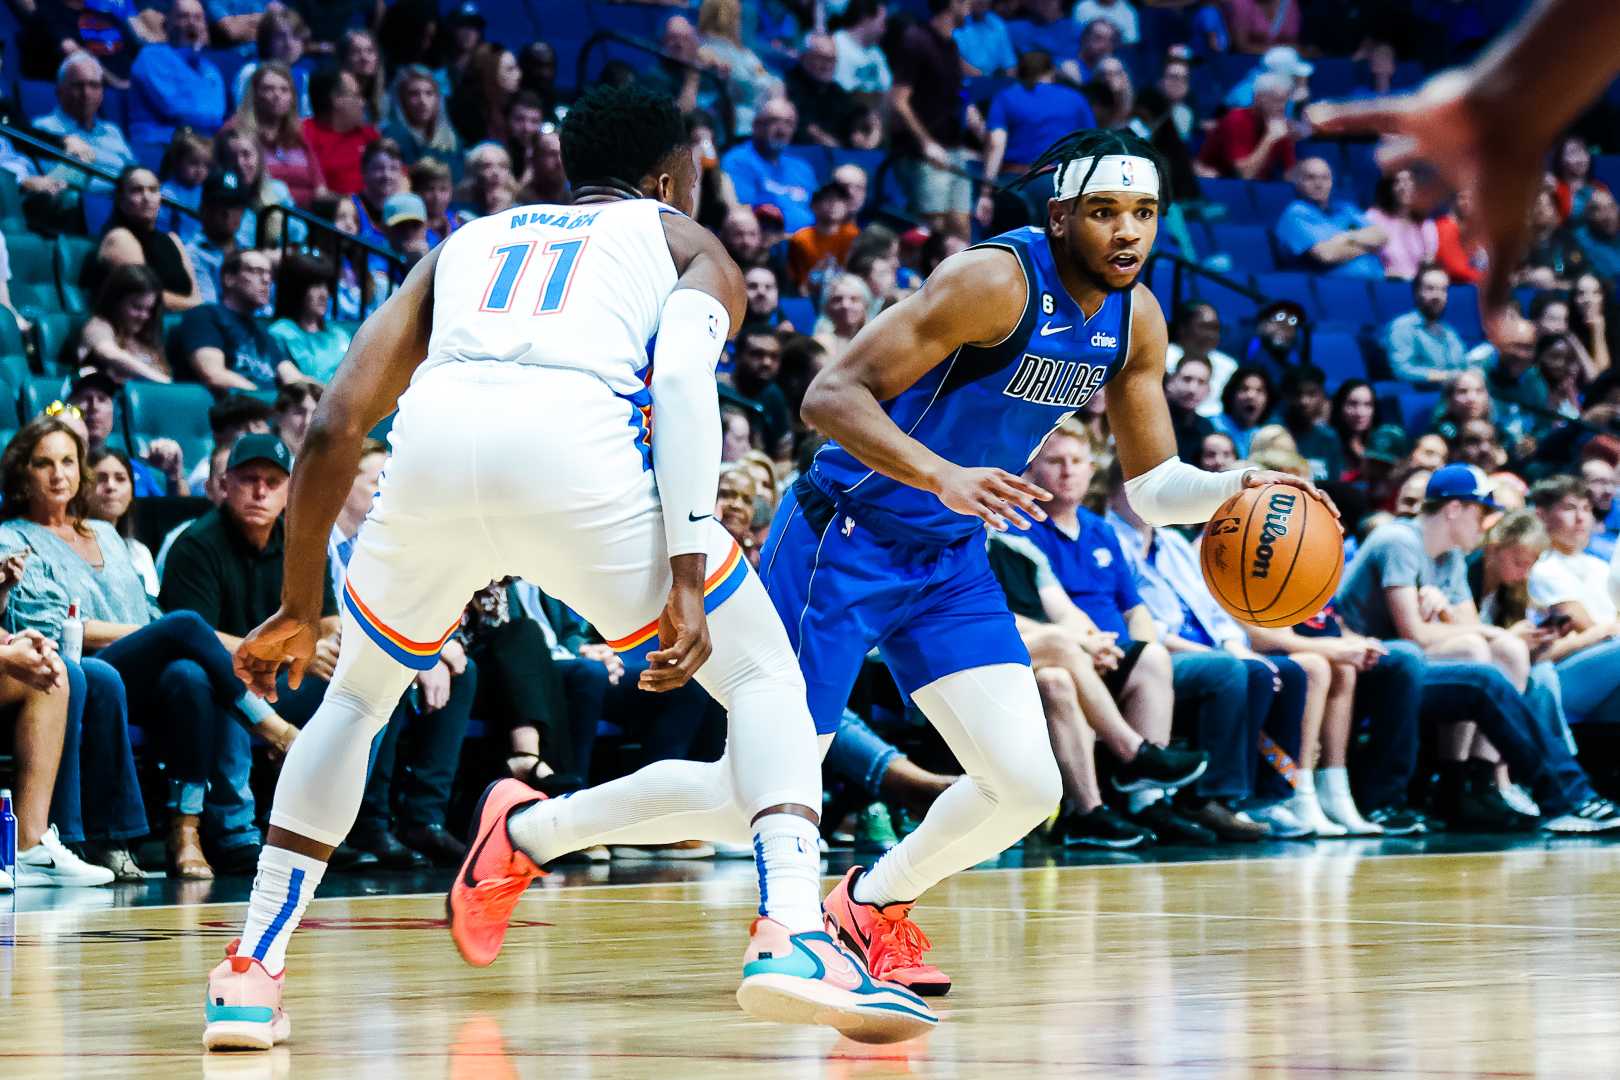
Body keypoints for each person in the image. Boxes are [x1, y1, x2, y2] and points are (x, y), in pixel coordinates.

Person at [205, 83, 937, 1053]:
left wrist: (303, 605)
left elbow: (338, 423)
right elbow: (678, 383)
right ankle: (793, 931)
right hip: (574, 462)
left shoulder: (463, 244)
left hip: (432, 459)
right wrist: (686, 563)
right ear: (673, 176)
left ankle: (251, 976)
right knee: (763, 676)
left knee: (353, 704)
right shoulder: (685, 242)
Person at [759, 128, 1327, 992]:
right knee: (766, 775)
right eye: (1105, 213)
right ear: (1060, 217)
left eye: (1145, 214)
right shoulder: (993, 281)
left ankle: (868, 904)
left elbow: (1154, 488)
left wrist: (1244, 484)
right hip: (845, 532)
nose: (1129, 233)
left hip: (948, 556)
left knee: (1026, 788)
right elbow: (827, 396)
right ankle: (766, 929)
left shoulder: (1136, 316)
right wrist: (943, 476)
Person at [0, 416, 295, 880]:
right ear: (23, 473)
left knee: (190, 676)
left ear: (81, 472)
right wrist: (148, 634)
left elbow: (150, 617)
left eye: (67, 462)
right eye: (43, 464)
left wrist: (154, 634)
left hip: (137, 666)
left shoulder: (108, 535)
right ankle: (275, 728)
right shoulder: (13, 537)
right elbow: (52, 625)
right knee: (181, 627)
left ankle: (186, 828)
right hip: (76, 665)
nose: (58, 474)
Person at [1335, 464, 1620, 833]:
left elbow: (1470, 629)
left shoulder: (1449, 554)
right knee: (1480, 666)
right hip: (1368, 664)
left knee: (1505, 652)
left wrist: (1493, 634)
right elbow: (1415, 636)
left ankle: (1480, 782)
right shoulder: (1398, 541)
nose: (1486, 525)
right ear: (1454, 509)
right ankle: (1566, 796)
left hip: (1409, 665)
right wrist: (1469, 629)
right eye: (1481, 513)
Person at [1526, 476, 1620, 724]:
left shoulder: (1600, 566)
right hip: (1561, 670)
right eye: (1569, 508)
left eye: (1587, 509)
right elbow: (1585, 625)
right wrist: (1609, 628)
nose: (1581, 518)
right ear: (1541, 515)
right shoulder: (1542, 567)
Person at [976, 50, 1097, 228]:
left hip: (1015, 186)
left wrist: (985, 193)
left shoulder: (1006, 97)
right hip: (1060, 186)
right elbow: (1092, 146)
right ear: (1052, 70)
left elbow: (996, 143)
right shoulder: (1075, 99)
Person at [890, 0, 973, 241]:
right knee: (932, 230)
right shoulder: (915, 39)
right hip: (925, 154)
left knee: (961, 229)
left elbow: (956, 95)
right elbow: (898, 100)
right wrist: (926, 143)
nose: (971, 6)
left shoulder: (952, 45)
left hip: (955, 149)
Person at [169, 249, 304, 392]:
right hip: (233, 409)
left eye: (269, 274)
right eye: (256, 271)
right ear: (229, 279)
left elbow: (293, 378)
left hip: (266, 408)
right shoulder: (204, 316)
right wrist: (266, 400)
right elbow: (214, 374)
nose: (266, 280)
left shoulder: (262, 333)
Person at [84, 166, 201, 313]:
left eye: (153, 190)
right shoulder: (119, 238)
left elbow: (196, 295)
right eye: (137, 190)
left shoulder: (174, 240)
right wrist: (194, 306)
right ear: (121, 200)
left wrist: (196, 306)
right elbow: (144, 296)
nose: (147, 197)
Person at [127, 0, 227, 154]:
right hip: (159, 146)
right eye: (184, 17)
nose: (192, 23)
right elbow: (177, 109)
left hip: (201, 149)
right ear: (167, 23)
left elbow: (216, 113)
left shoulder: (210, 69)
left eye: (198, 18)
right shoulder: (152, 57)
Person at [32, 53, 135, 198]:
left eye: (94, 85)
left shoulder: (112, 131)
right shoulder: (43, 129)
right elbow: (56, 184)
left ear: (102, 92)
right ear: (60, 90)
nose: (86, 93)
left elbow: (134, 174)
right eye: (78, 85)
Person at [229, 63, 326, 208]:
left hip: (308, 217)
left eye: (284, 90)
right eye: (268, 89)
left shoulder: (299, 135)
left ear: (292, 97)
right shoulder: (235, 131)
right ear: (254, 95)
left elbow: (320, 189)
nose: (277, 95)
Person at [1273, 157, 1388, 279]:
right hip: (1334, 290)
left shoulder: (1345, 208)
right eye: (1311, 178)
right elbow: (1327, 255)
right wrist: (1368, 247)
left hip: (1375, 284)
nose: (1319, 184)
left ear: (1332, 182)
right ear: (1298, 182)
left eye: (1325, 178)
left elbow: (1381, 236)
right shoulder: (1295, 214)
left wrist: (1347, 237)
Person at [720, 98, 816, 234]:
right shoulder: (738, 161)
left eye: (789, 123)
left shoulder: (803, 168)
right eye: (774, 121)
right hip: (766, 243)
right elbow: (742, 212)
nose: (782, 129)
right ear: (756, 126)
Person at [67, 264, 171, 383]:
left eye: (149, 309)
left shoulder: (146, 338)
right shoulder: (99, 325)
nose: (144, 316)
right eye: (137, 307)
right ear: (116, 302)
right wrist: (165, 383)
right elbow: (108, 353)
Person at [696, 0, 784, 139]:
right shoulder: (704, 50)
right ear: (723, 17)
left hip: (755, 116)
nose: (739, 22)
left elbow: (764, 77)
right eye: (736, 16)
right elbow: (743, 86)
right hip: (733, 122)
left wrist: (775, 86)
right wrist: (770, 87)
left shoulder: (743, 52)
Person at [269, 253, 353, 385]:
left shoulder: (339, 333)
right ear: (296, 289)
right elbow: (305, 378)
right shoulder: (282, 332)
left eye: (326, 286)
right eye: (316, 286)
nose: (324, 294)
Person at [1194, 72, 1294, 182]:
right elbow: (1244, 175)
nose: (1282, 107)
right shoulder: (1236, 119)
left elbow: (1290, 173)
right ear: (1257, 98)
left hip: (1257, 187)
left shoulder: (1279, 124)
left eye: (1285, 101)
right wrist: (1269, 139)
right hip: (1219, 182)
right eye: (1277, 100)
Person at [86, 447, 160, 595]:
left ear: (132, 491)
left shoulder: (139, 552)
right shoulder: (72, 547)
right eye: (100, 478)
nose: (111, 486)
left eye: (120, 479)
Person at [1383, 264, 1471, 386]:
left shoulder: (1449, 331)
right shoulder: (1403, 326)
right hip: (1423, 397)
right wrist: (1443, 376)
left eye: (1443, 290)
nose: (1437, 296)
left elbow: (1463, 365)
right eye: (1430, 289)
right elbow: (1402, 370)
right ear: (1416, 292)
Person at [302, 67, 380, 199]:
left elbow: (400, 176)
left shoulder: (369, 135)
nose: (363, 102)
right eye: (357, 95)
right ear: (336, 99)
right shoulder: (305, 134)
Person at [382, 65, 463, 180]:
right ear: (402, 100)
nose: (423, 101)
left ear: (437, 99)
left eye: (429, 93)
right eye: (414, 94)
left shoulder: (451, 140)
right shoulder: (393, 137)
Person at [185, 169, 251, 305]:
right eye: (221, 205)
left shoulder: (249, 251)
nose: (228, 212)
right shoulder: (191, 254)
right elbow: (210, 308)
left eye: (235, 205)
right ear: (204, 208)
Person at [785, 32, 856, 149]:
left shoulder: (838, 92)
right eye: (822, 58)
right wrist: (822, 138)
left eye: (832, 59)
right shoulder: (787, 88)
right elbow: (800, 128)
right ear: (804, 58)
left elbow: (851, 122)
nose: (827, 65)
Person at [1365, 169, 1439, 281]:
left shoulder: (1426, 224)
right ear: (1388, 187)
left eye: (1409, 181)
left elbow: (1429, 264)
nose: (1404, 186)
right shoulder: (1374, 218)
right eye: (1397, 181)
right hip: (1387, 285)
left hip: (1418, 289)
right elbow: (1367, 261)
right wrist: (1383, 274)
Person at [1166, 301, 1237, 418]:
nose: (1212, 334)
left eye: (1216, 328)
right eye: (1205, 327)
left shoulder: (1229, 365)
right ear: (1183, 328)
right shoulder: (1163, 356)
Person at [1212, 364, 1276, 458]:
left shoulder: (1268, 437)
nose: (1251, 396)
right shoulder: (1210, 426)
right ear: (1231, 394)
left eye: (1259, 391)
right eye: (1244, 389)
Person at [832, 0, 892, 98]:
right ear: (866, 19)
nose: (884, 29)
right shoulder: (836, 45)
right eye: (882, 23)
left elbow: (887, 89)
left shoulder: (876, 53)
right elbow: (843, 90)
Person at [1575, 188, 1620, 285]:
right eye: (1599, 210)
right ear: (1588, 215)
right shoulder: (1577, 240)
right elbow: (1560, 267)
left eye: (1612, 207)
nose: (1609, 216)